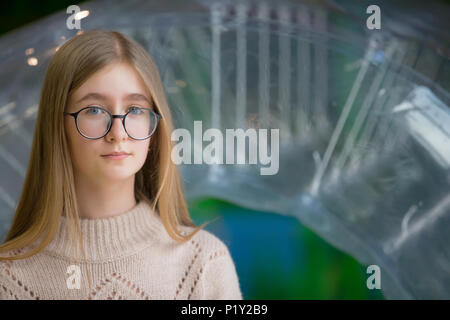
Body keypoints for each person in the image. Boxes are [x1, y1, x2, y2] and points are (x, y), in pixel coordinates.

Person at [0, 29, 243, 300]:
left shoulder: (204, 264)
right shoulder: (8, 279)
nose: (118, 132)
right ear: (57, 125)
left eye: (135, 110)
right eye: (94, 110)